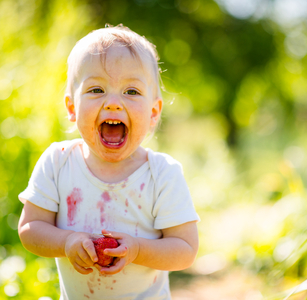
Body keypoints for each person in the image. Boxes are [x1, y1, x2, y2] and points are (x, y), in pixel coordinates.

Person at [18, 25, 200, 300]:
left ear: (153, 112)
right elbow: (30, 228)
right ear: (71, 108)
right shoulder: (58, 163)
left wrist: (138, 250)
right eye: (96, 89)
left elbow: (185, 249)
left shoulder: (162, 174)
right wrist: (67, 241)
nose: (113, 103)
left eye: (131, 91)